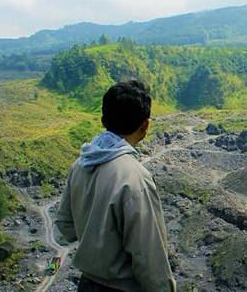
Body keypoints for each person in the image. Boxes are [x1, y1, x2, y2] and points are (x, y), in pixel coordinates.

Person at [56, 80, 176, 292]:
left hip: (86, 285)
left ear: (104, 119)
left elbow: (66, 226)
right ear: (145, 125)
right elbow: (149, 258)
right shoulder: (134, 178)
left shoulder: (81, 163)